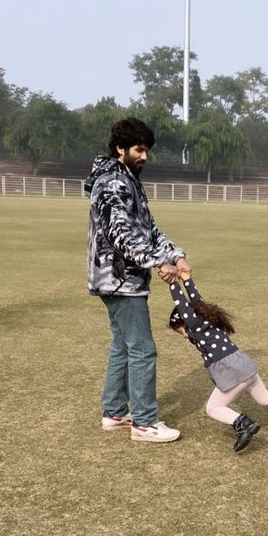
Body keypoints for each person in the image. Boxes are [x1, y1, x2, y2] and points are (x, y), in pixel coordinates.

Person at [85, 117, 192, 442]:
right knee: (143, 349)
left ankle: (115, 412)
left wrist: (175, 255)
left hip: (123, 280)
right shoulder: (112, 184)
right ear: (121, 148)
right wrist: (158, 261)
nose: (145, 156)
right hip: (119, 280)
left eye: (146, 150)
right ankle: (145, 423)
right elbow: (122, 235)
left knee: (123, 345)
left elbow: (149, 229)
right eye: (139, 149)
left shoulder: (128, 179)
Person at [166, 275, 268, 452]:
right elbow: (197, 302)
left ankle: (243, 424)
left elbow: (184, 306)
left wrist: (172, 283)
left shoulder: (196, 326)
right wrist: (187, 279)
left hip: (230, 368)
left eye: (182, 330)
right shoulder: (207, 319)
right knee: (265, 398)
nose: (185, 335)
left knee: (213, 408)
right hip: (243, 363)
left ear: (187, 322)